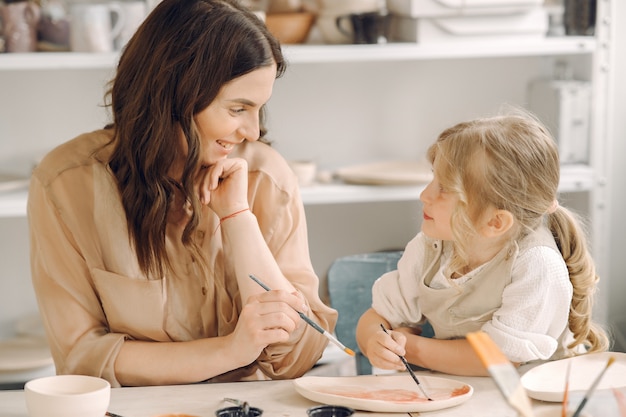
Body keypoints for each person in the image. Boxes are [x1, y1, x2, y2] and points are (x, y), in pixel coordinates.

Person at [27, 0, 337, 387]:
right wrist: (230, 351)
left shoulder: (264, 176)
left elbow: (296, 357)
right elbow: (81, 360)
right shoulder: (65, 186)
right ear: (174, 94)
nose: (253, 132)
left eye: (259, 109)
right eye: (238, 108)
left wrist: (238, 218)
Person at [355, 109, 609, 376]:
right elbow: (377, 317)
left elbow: (497, 360)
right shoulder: (430, 246)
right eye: (433, 178)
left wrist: (411, 347)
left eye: (445, 189)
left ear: (495, 222)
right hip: (464, 396)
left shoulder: (537, 264)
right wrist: (375, 340)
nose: (424, 194)